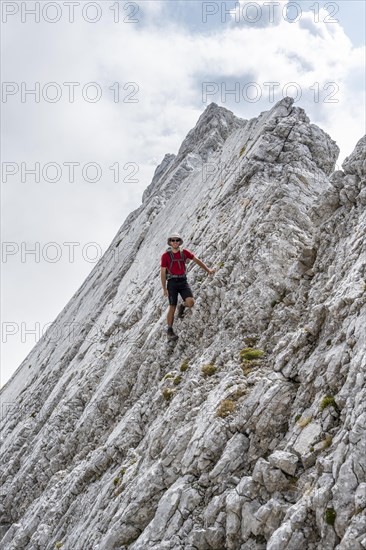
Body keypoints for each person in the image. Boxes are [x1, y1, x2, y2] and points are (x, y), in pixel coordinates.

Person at [160, 233, 215, 341]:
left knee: (191, 302)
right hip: (172, 282)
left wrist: (208, 270)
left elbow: (197, 260)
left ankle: (183, 305)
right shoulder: (165, 256)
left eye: (177, 240)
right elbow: (162, 272)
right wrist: (164, 288)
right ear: (169, 242)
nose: (175, 242)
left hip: (183, 281)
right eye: (172, 240)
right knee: (172, 306)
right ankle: (170, 330)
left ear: (180, 241)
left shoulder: (184, 252)